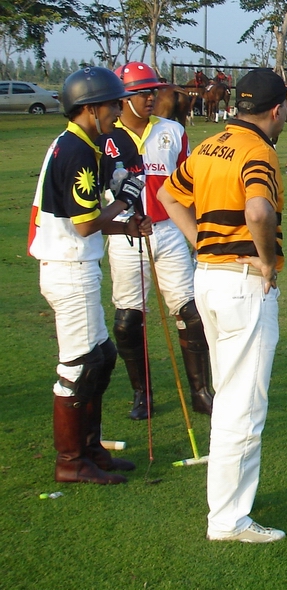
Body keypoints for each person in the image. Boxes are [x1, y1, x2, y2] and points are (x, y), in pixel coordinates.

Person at [158, 68, 287, 543]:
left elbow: (166, 196)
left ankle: (226, 503)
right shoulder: (259, 152)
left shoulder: (207, 145)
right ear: (276, 111)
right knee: (244, 404)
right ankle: (229, 519)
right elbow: (259, 210)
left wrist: (202, 243)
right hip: (241, 286)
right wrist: (266, 262)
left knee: (227, 396)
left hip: (208, 280)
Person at [28, 66, 153, 485]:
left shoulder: (84, 144)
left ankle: (91, 448)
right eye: (113, 105)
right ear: (90, 107)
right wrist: (125, 203)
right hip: (69, 267)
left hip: (78, 264)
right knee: (79, 365)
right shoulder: (77, 151)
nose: (117, 113)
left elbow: (90, 219)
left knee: (101, 357)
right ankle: (70, 460)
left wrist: (124, 223)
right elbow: (84, 223)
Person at [99, 61, 214, 420]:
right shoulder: (105, 137)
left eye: (152, 91)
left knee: (190, 313)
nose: (151, 98)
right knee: (129, 319)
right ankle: (142, 394)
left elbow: (189, 184)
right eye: (141, 93)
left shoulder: (172, 131)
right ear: (123, 97)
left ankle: (201, 392)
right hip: (125, 233)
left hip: (168, 231)